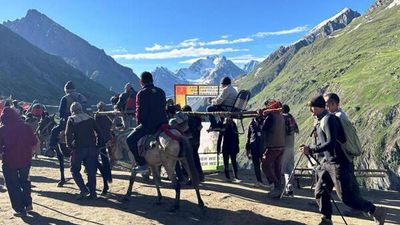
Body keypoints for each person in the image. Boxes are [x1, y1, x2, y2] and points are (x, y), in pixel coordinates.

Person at [300, 95, 386, 225]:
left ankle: (375, 210)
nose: (310, 111)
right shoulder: (322, 119)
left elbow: (331, 143)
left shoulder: (329, 120)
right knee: (320, 191)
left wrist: (311, 149)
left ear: (316, 107)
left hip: (339, 163)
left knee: (347, 198)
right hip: (327, 162)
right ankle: (326, 219)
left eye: (311, 108)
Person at [126, 72, 167, 173]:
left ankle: (142, 164)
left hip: (149, 126)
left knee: (130, 139)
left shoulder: (142, 93)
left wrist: (139, 123)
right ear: (152, 80)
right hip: (163, 124)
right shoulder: (161, 91)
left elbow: (140, 112)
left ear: (141, 82)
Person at [0, 107, 38, 217]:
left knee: (13, 184)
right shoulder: (26, 127)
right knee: (25, 181)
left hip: (9, 161)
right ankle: (28, 204)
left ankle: (19, 208)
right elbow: (34, 142)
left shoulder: (2, 130)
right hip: (25, 160)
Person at [66, 102, 103, 200]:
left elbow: (68, 135)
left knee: (74, 170)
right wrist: (98, 145)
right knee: (91, 172)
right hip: (91, 148)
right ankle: (93, 193)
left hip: (78, 149)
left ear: (72, 110)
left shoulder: (72, 119)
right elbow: (99, 131)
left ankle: (83, 189)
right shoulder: (90, 118)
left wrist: (70, 146)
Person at [47, 81, 87, 157]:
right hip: (83, 120)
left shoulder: (65, 98)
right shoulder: (82, 97)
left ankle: (51, 149)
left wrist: (60, 120)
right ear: (74, 89)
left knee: (54, 131)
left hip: (70, 120)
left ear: (66, 89)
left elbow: (61, 112)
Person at [260, 99, 285, 198]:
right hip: (281, 146)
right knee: (277, 167)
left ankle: (276, 186)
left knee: (265, 165)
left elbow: (264, 129)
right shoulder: (281, 116)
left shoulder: (270, 116)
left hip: (273, 146)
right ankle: (279, 187)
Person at [94, 101, 113, 194]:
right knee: (105, 160)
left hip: (100, 140)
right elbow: (111, 124)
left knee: (95, 160)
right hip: (107, 139)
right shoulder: (106, 115)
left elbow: (96, 128)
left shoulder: (97, 115)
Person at [182, 105, 204, 183]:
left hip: (190, 142)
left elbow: (187, 130)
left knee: (189, 161)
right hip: (197, 142)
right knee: (196, 159)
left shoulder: (188, 119)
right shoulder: (197, 119)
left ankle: (192, 178)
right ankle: (200, 176)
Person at [281, 104, 299, 196]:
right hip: (291, 146)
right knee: (290, 169)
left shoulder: (283, 119)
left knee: (281, 169)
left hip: (284, 147)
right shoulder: (291, 118)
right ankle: (290, 189)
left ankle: (281, 189)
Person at [217, 118, 240, 183]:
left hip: (232, 146)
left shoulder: (233, 125)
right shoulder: (224, 125)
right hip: (226, 147)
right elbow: (220, 137)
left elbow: (236, 136)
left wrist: (237, 146)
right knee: (226, 163)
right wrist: (218, 148)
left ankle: (236, 176)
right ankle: (228, 177)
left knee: (234, 162)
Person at [246, 116, 266, 187]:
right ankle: (259, 180)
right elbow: (248, 137)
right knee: (256, 165)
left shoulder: (263, 122)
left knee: (265, 164)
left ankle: (267, 180)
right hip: (253, 147)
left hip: (262, 147)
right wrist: (247, 148)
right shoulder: (251, 123)